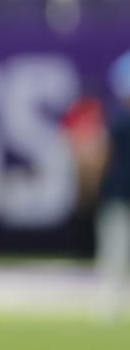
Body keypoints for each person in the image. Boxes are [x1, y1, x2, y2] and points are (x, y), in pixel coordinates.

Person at [96, 49, 130, 321]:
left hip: (118, 193)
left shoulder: (118, 122)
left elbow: (103, 157)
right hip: (119, 193)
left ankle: (111, 304)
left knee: (115, 253)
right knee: (116, 252)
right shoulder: (118, 121)